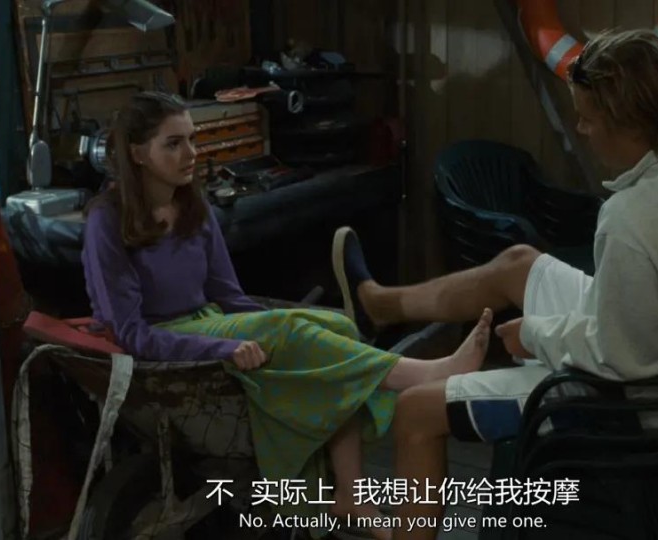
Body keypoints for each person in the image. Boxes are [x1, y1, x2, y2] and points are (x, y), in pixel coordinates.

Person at [331, 29, 658, 540]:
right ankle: (380, 305)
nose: (581, 129)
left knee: (415, 412)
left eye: (589, 117)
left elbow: (625, 359)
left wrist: (535, 334)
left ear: (631, 123)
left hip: (637, 407)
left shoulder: (635, 218)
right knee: (519, 264)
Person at [81, 91, 497, 540]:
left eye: (192, 140)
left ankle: (351, 493)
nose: (191, 154)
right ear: (137, 153)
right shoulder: (108, 220)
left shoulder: (192, 206)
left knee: (338, 325)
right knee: (288, 328)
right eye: (173, 143)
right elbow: (130, 332)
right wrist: (226, 345)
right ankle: (422, 373)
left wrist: (277, 326)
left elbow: (229, 297)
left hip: (206, 317)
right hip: (163, 338)